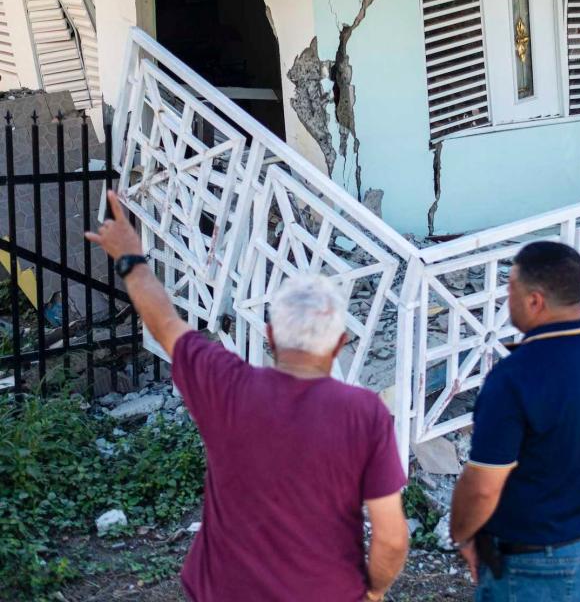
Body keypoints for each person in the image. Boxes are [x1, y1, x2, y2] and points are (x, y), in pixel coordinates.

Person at [86, 191, 409, 602]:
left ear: (271, 335)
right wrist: (374, 591)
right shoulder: (364, 414)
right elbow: (392, 538)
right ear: (340, 342)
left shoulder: (226, 385)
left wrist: (130, 258)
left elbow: (165, 323)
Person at [449, 241, 580, 601]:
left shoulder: (513, 377)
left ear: (534, 301)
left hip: (538, 564)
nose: (508, 303)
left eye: (511, 292)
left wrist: (462, 535)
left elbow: (484, 485)